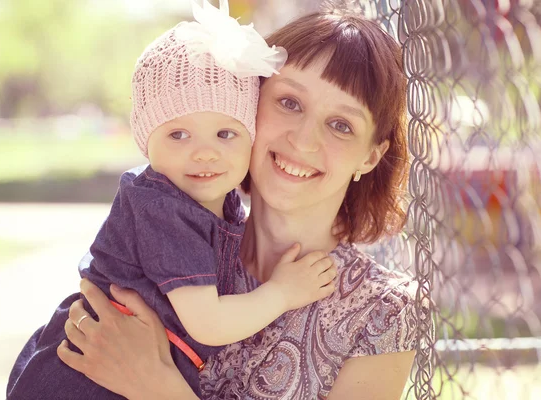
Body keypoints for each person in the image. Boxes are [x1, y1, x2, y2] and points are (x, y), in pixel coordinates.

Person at [57, 7, 428, 400]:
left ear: (370, 157)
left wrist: (157, 388)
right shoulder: (179, 236)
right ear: (250, 106)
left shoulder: (380, 314)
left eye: (341, 125)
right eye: (289, 103)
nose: (304, 141)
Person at [6, 1, 339, 399]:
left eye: (225, 134)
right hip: (83, 381)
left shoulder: (222, 203)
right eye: (178, 135)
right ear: (146, 141)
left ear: (250, 135)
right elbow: (209, 323)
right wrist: (283, 292)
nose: (204, 153)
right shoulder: (161, 208)